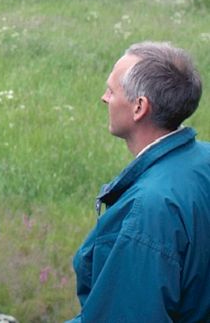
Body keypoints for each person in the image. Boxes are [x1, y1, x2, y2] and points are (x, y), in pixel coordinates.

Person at [68, 42, 210, 322]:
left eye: (111, 90)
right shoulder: (204, 159)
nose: (104, 98)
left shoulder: (148, 210)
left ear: (139, 107)